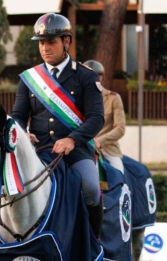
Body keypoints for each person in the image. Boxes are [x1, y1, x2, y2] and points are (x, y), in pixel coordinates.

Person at [11, 13, 105, 241]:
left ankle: (94, 247)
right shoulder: (29, 78)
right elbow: (18, 115)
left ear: (67, 41)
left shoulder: (86, 76)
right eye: (41, 43)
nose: (45, 48)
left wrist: (73, 140)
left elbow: (96, 118)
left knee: (92, 189)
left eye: (51, 42)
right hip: (39, 150)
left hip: (76, 151)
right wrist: (24, 134)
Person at [84, 59, 126, 173]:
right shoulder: (74, 100)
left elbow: (120, 128)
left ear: (101, 78)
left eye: (93, 76)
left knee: (119, 177)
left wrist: (99, 141)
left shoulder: (113, 98)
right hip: (82, 149)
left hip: (108, 150)